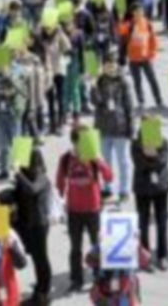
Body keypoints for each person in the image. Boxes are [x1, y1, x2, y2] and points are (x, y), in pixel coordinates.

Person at [56, 125, 114, 292]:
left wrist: (98, 160)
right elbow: (59, 182)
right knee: (75, 247)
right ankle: (76, 279)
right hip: (74, 210)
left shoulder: (94, 157)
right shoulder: (66, 158)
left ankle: (99, 275)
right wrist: (60, 200)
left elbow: (109, 176)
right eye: (81, 142)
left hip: (93, 208)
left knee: (96, 244)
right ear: (75, 142)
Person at [90, 53, 134, 202]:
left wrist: (131, 127)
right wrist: (93, 85)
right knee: (105, 161)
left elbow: (129, 106)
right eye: (107, 65)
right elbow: (95, 102)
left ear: (117, 65)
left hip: (120, 126)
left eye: (112, 64)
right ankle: (107, 188)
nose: (110, 67)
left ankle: (124, 189)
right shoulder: (100, 81)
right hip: (103, 127)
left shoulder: (123, 82)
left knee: (123, 161)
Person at [12, 149, 53, 305]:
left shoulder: (42, 178)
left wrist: (17, 174)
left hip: (39, 225)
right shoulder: (24, 177)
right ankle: (39, 289)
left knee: (41, 259)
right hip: (27, 224)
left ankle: (43, 292)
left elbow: (32, 189)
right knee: (35, 258)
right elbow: (17, 194)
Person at [132, 115, 168, 271]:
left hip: (160, 187)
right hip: (142, 187)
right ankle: (145, 255)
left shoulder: (164, 143)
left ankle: (162, 255)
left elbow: (162, 162)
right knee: (142, 223)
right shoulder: (136, 144)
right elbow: (139, 164)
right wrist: (146, 152)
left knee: (162, 223)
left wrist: (152, 153)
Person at [0, 57, 27, 182]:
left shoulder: (18, 69)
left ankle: (22, 173)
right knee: (2, 144)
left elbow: (21, 86)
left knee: (18, 142)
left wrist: (9, 76)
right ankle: (4, 171)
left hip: (14, 111)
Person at [119, 3, 164, 109]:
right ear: (133, 13)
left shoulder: (147, 23)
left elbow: (153, 39)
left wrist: (152, 53)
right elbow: (120, 31)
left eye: (141, 11)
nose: (140, 13)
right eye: (137, 11)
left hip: (146, 58)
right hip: (133, 58)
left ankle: (159, 100)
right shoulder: (129, 25)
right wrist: (121, 19)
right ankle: (141, 101)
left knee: (152, 79)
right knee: (137, 81)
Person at [33, 15, 71, 135]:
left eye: (50, 26)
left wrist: (64, 58)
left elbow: (68, 48)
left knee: (60, 96)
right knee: (49, 98)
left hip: (59, 69)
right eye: (46, 27)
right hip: (46, 71)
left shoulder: (59, 33)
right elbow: (32, 44)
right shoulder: (39, 35)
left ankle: (61, 123)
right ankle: (52, 124)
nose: (48, 29)